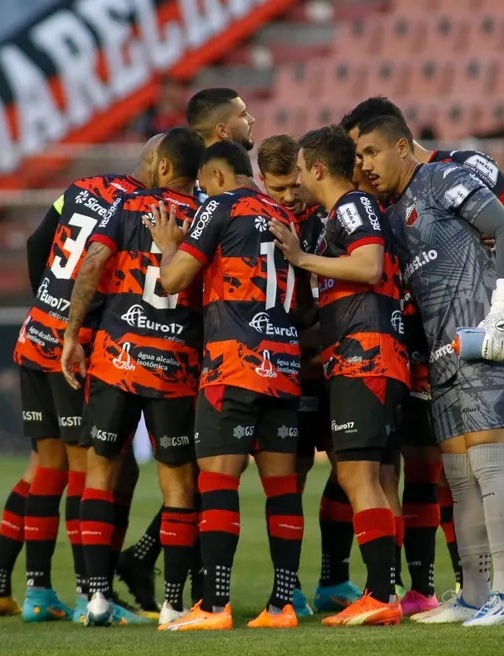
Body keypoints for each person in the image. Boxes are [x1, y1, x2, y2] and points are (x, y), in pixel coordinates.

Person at [341, 97, 504, 620]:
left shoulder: (447, 175)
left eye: (373, 151)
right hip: (442, 351)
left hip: (483, 336)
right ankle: (472, 597)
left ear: (403, 145)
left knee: (493, 466)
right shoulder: (392, 215)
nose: (366, 165)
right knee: (459, 478)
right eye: (359, 156)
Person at [0, 136, 161, 620]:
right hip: (73, 348)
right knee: (85, 470)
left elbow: (38, 241)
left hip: (36, 331)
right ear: (161, 167)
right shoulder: (140, 207)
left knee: (46, 467)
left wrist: (47, 301)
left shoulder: (79, 188)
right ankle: (87, 596)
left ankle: (28, 590)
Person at [149, 140, 305, 631]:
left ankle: (214, 606)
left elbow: (172, 281)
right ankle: (282, 606)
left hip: (233, 364)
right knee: (282, 490)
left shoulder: (219, 205)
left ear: (215, 177)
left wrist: (168, 244)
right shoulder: (283, 212)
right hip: (282, 362)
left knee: (217, 483)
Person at [116, 88, 258, 609]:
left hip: (183, 344)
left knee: (211, 471)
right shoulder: (209, 193)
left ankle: (162, 566)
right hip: (192, 349)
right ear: (222, 133)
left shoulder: (182, 187)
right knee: (209, 471)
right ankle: (188, 586)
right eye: (243, 116)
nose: (251, 122)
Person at [61, 127, 206, 627]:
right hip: (177, 366)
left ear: (164, 166)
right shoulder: (209, 217)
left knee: (99, 474)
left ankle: (97, 597)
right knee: (179, 486)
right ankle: (172, 604)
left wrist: (72, 334)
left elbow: (91, 265)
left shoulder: (125, 207)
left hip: (117, 358)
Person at [270, 125, 409, 627]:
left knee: (358, 476)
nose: (297, 178)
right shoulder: (339, 215)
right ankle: (383, 591)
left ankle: (378, 596)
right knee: (375, 476)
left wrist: (301, 258)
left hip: (365, 356)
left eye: (301, 168)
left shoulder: (351, 207)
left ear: (318, 169)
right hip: (368, 355)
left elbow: (369, 266)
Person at [256, 134, 363, 615]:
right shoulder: (257, 220)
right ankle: (288, 586)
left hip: (336, 362)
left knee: (349, 468)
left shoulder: (330, 215)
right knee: (290, 477)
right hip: (287, 367)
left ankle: (334, 578)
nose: (289, 196)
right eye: (278, 188)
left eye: (294, 185)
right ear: (263, 182)